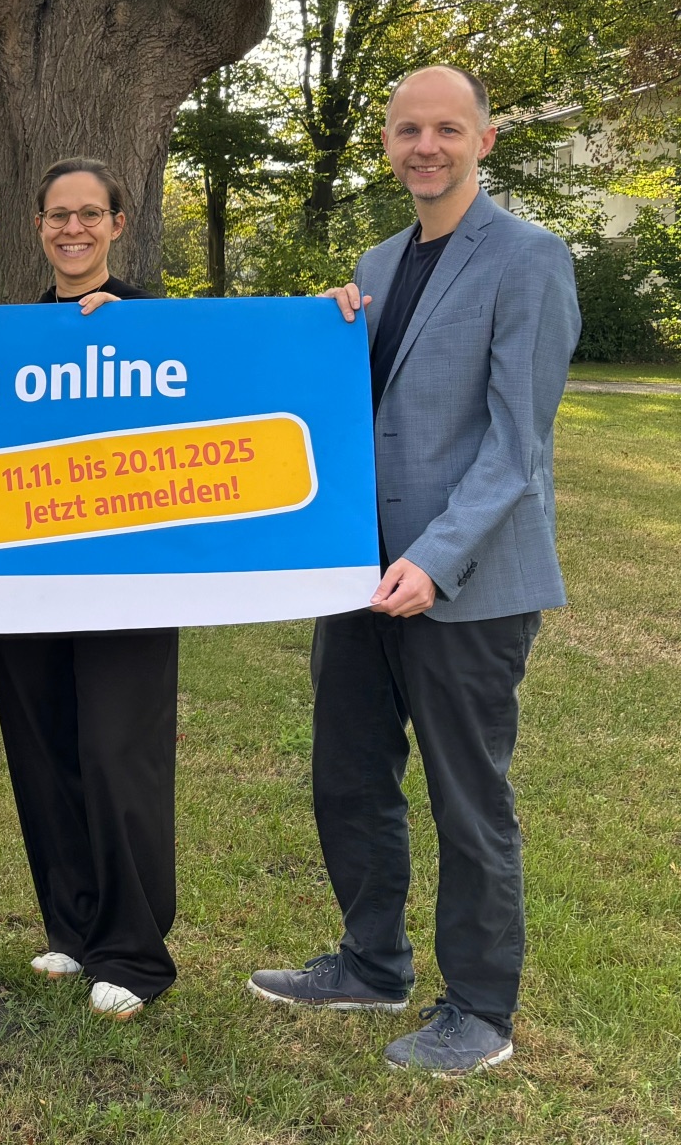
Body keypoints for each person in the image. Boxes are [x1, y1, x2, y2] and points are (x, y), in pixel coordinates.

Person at [249, 65, 580, 1076]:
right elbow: (353, 415)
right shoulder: (379, 261)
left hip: (467, 584)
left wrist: (434, 562)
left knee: (466, 798)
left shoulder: (529, 259)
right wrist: (323, 337)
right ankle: (370, 960)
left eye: (446, 128)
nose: (424, 146)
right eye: (406, 130)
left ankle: (480, 1010)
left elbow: (515, 447)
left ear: (484, 140)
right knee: (348, 778)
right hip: (360, 576)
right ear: (387, 144)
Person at [0, 158, 179, 1021]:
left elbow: (233, 386)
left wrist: (327, 319)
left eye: (89, 214)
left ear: (118, 223)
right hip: (20, 584)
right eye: (58, 215)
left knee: (113, 751)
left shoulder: (157, 326)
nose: (73, 229)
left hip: (127, 587)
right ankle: (71, 927)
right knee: (44, 749)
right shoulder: (5, 338)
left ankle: (134, 953)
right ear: (38, 226)